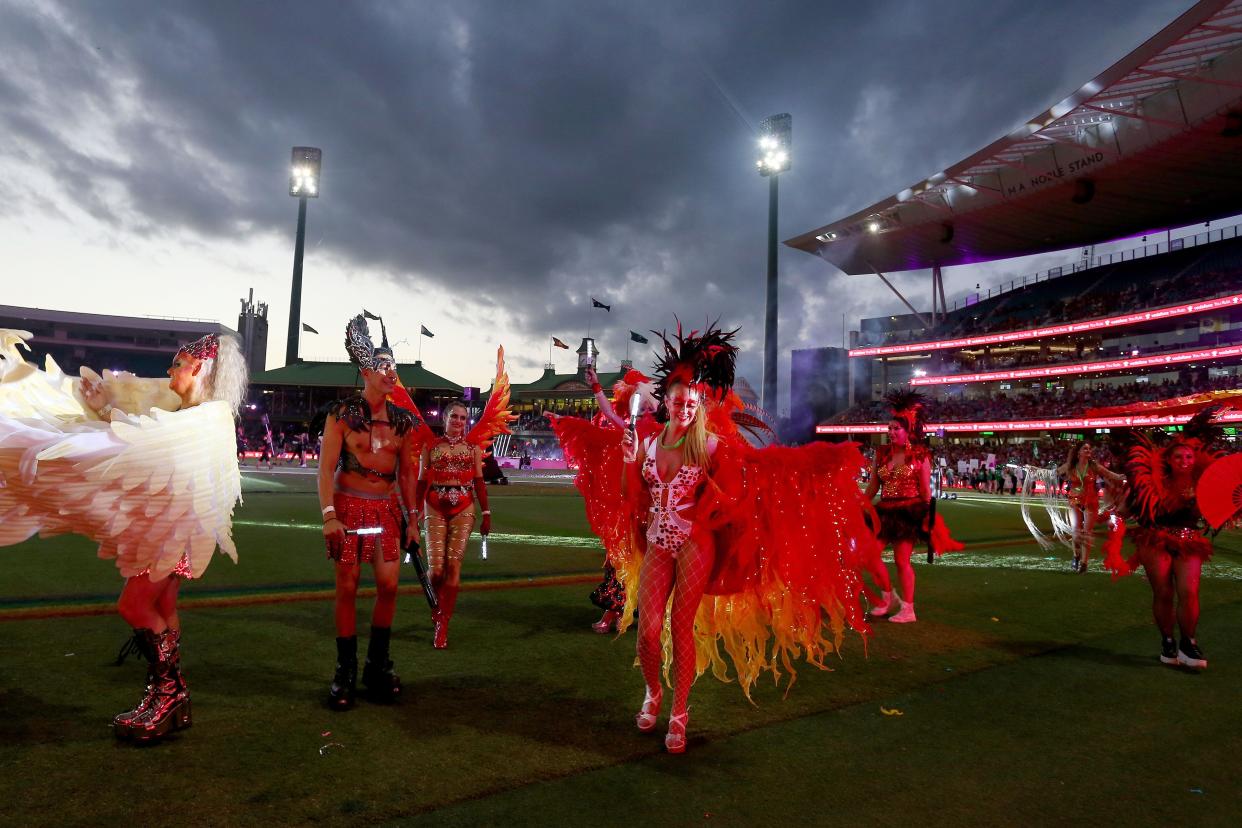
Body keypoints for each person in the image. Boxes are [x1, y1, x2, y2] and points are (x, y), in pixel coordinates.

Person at [610, 323, 876, 754]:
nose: (684, 407)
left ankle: (679, 713)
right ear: (666, 401)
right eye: (678, 400)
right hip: (659, 541)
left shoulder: (711, 446)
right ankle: (652, 691)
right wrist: (628, 459)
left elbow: (751, 476)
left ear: (698, 404)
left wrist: (812, 465)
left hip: (696, 543)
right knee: (649, 629)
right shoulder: (648, 443)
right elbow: (629, 496)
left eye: (692, 401)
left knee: (681, 629)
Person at [0, 330, 247, 742]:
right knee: (163, 607)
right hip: (173, 531)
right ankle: (172, 697)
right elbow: (141, 441)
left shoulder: (205, 416)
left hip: (171, 532)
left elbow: (143, 447)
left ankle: (167, 694)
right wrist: (103, 409)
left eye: (178, 364)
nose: (171, 371)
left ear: (199, 369)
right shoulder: (195, 414)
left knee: (134, 605)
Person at [319, 314, 422, 710]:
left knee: (390, 586)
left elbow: (409, 474)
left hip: (386, 512)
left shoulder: (403, 422)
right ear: (365, 371)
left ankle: (376, 666)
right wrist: (329, 514)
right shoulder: (341, 415)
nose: (391, 372)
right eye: (384, 366)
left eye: (394, 366)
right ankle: (344, 671)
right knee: (346, 588)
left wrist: (413, 520)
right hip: (347, 508)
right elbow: (326, 469)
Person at [412, 349, 513, 649]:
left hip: (464, 510)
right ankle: (436, 607)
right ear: (444, 420)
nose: (459, 421)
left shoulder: (472, 450)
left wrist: (486, 514)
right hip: (434, 507)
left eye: (463, 418)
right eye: (454, 417)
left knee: (453, 567)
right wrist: (413, 515)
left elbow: (480, 483)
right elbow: (419, 484)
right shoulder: (431, 447)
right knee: (436, 570)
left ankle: (443, 623)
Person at [552, 364, 660, 634]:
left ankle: (654, 618)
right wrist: (597, 387)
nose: (642, 411)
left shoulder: (663, 434)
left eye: (646, 406)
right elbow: (610, 414)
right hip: (627, 509)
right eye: (638, 405)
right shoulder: (630, 429)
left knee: (655, 565)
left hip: (654, 511)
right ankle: (612, 614)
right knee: (619, 561)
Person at [1111, 411, 1222, 669]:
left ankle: (1189, 643)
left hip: (1189, 540)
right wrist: (1119, 510)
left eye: (1189, 456)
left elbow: (1215, 513)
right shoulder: (1148, 481)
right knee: (1163, 592)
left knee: (1189, 591)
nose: (1184, 460)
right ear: (1169, 459)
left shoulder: (1204, 483)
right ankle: (1168, 641)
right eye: (1179, 456)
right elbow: (1126, 510)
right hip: (1154, 538)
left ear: (1195, 459)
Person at [862, 389, 961, 623]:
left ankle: (908, 609)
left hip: (908, 512)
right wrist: (861, 504)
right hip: (884, 511)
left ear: (908, 431)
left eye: (896, 429)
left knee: (901, 560)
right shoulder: (882, 453)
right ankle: (888, 596)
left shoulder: (920, 455)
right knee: (869, 555)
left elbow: (926, 491)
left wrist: (927, 517)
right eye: (889, 429)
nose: (891, 432)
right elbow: (873, 486)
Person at [1056, 441, 1125, 573]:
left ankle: (1084, 563)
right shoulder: (1070, 466)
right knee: (1076, 533)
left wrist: (1121, 476)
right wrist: (1035, 471)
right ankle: (1076, 556)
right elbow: (1054, 472)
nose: (1088, 450)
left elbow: (1109, 474)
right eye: (1085, 448)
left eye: (1089, 448)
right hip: (1075, 500)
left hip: (1091, 501)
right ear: (1079, 452)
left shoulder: (1093, 466)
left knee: (1087, 533)